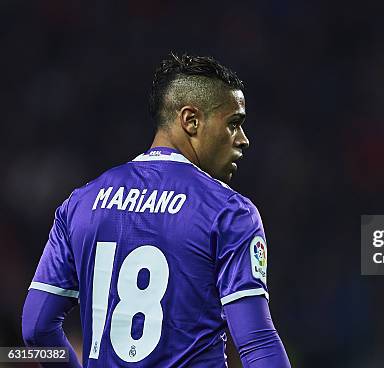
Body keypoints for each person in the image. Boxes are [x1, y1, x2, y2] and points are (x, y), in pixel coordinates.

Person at [21, 53, 291, 368]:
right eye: (234, 124)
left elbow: (36, 329)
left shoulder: (80, 204)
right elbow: (257, 343)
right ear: (191, 120)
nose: (243, 140)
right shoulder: (229, 212)